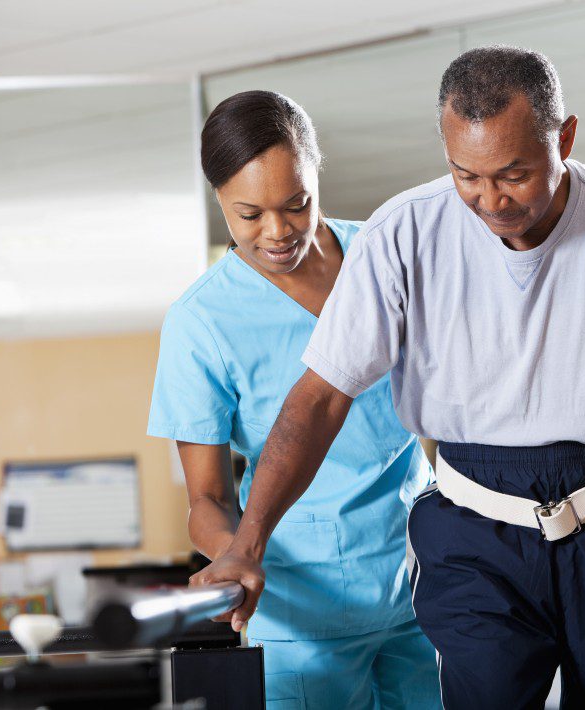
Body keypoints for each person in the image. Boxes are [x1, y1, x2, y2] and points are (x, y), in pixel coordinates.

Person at [195, 48, 585, 709]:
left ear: (564, 138)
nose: (491, 200)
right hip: (472, 529)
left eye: (514, 174)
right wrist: (246, 544)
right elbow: (319, 398)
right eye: (467, 175)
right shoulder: (402, 232)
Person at [147, 90, 440, 710]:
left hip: (423, 584)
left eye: (297, 204)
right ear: (219, 200)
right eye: (249, 214)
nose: (277, 232)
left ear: (316, 176)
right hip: (300, 609)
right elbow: (206, 499)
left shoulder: (381, 257)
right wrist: (236, 553)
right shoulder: (201, 321)